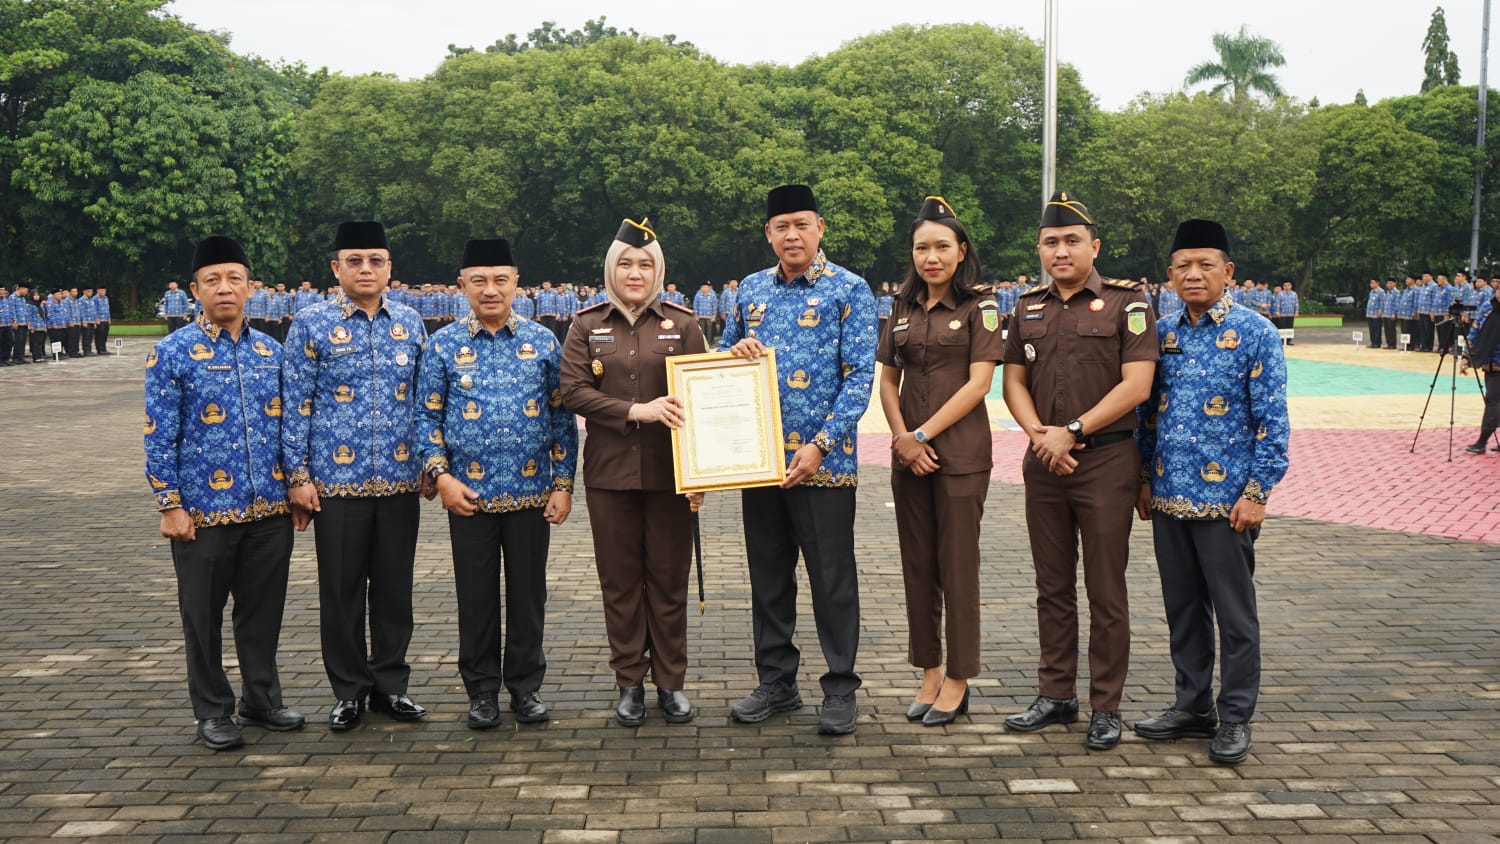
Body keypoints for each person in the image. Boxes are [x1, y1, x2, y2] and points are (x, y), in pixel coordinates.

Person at [1000, 191, 1158, 750]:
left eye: (1072, 241)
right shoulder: (1026, 307)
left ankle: (1106, 705)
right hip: (1044, 460)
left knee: (1106, 589)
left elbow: (1137, 385)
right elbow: (1012, 382)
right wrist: (1040, 435)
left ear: (1095, 246)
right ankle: (1056, 693)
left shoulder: (1128, 303)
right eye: (1051, 242)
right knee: (1052, 585)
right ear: (1039, 249)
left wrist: (1073, 430)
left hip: (1106, 460)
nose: (1060, 251)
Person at [719, 184, 877, 736]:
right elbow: (719, 358)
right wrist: (731, 352)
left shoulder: (849, 289)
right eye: (781, 226)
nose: (792, 235)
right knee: (768, 578)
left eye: (802, 224)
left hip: (824, 465)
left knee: (832, 581)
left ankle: (840, 687)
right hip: (759, 462)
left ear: (820, 228)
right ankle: (777, 682)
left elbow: (860, 378)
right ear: (768, 233)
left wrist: (821, 445)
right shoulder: (750, 290)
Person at [1132, 219, 1290, 766]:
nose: (1193, 274)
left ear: (1228, 271)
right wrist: (1144, 478)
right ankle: (1192, 706)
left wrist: (1258, 492)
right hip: (1169, 495)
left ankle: (1236, 715)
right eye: (1183, 266)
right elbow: (1145, 414)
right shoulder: (1161, 333)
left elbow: (1273, 421)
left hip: (1229, 504)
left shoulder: (1255, 332)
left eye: (1205, 264)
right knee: (1183, 610)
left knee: (1234, 615)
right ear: (1170, 274)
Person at [144, 236, 306, 751]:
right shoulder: (172, 353)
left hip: (268, 510)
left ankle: (262, 699)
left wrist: (296, 483)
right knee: (202, 617)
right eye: (212, 280)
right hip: (202, 513)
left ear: (250, 287)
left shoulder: (271, 352)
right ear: (195, 291)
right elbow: (158, 434)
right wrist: (169, 504)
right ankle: (213, 710)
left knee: (262, 613)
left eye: (234, 278)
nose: (224, 288)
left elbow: (290, 429)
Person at [416, 238, 576, 729]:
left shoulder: (543, 342)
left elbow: (561, 419)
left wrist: (564, 484)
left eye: (500, 280)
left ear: (516, 283)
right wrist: (441, 478)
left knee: (528, 597)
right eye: (479, 281)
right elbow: (426, 419)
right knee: (476, 597)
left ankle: (525, 688)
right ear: (462, 285)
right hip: (468, 497)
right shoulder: (442, 344)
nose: (490, 290)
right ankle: (482, 691)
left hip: (531, 494)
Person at [281, 221, 430, 731]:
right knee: (341, 593)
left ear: (390, 267)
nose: (366, 269)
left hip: (399, 481)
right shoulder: (311, 323)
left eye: (375, 260)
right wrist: (297, 475)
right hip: (335, 485)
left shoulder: (409, 322)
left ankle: (391, 686)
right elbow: (296, 404)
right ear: (336, 268)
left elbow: (425, 401)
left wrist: (430, 464)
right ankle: (348, 691)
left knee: (394, 592)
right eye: (354, 260)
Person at [561, 218, 707, 727]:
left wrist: (703, 474)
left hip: (672, 476)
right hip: (609, 476)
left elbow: (702, 398)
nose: (635, 272)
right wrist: (635, 411)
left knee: (668, 582)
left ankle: (670, 683)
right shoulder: (586, 325)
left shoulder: (683, 325)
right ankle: (629, 681)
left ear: (658, 271)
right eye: (625, 263)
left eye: (645, 264)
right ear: (611, 270)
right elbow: (573, 391)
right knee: (620, 583)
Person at [876, 197, 1004, 727]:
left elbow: (979, 384)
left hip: (960, 456)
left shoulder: (980, 306)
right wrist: (902, 438)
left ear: (961, 251)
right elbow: (888, 380)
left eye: (942, 247)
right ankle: (928, 670)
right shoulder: (901, 307)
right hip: (909, 457)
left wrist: (923, 434)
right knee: (918, 567)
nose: (931, 257)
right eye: (921, 248)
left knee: (958, 569)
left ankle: (958, 676)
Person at [1461, 276, 1500, 454]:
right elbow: (1474, 332)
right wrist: (1466, 356)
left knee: (1492, 401)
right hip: (1489, 364)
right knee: (1494, 401)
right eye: (1498, 289)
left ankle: (1482, 441)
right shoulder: (1487, 307)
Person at [692, 282, 718, 347]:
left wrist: (714, 316)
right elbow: (695, 305)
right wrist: (696, 315)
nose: (704, 288)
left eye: (706, 287)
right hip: (700, 316)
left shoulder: (712, 296)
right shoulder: (698, 296)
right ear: (700, 288)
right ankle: (702, 344)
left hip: (709, 316)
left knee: (709, 330)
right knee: (701, 330)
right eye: (703, 287)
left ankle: (709, 344)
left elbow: (714, 306)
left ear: (709, 288)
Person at [1364, 279, 1384, 349]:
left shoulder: (1381, 291)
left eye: (1372, 283)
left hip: (1376, 313)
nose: (1371, 284)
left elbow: (1382, 301)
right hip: (1370, 313)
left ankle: (1377, 343)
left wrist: (1380, 310)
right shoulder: (1371, 291)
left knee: (1377, 329)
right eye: (1371, 283)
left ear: (1377, 283)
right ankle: (1372, 342)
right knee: (1371, 329)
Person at [93, 286, 112, 355]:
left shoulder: (106, 298)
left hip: (106, 319)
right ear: (98, 291)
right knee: (99, 335)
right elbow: (94, 309)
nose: (103, 292)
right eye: (102, 290)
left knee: (105, 335)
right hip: (99, 320)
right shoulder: (94, 299)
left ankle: (104, 348)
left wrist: (109, 317)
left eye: (104, 290)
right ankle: (99, 349)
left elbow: (107, 308)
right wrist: (96, 319)